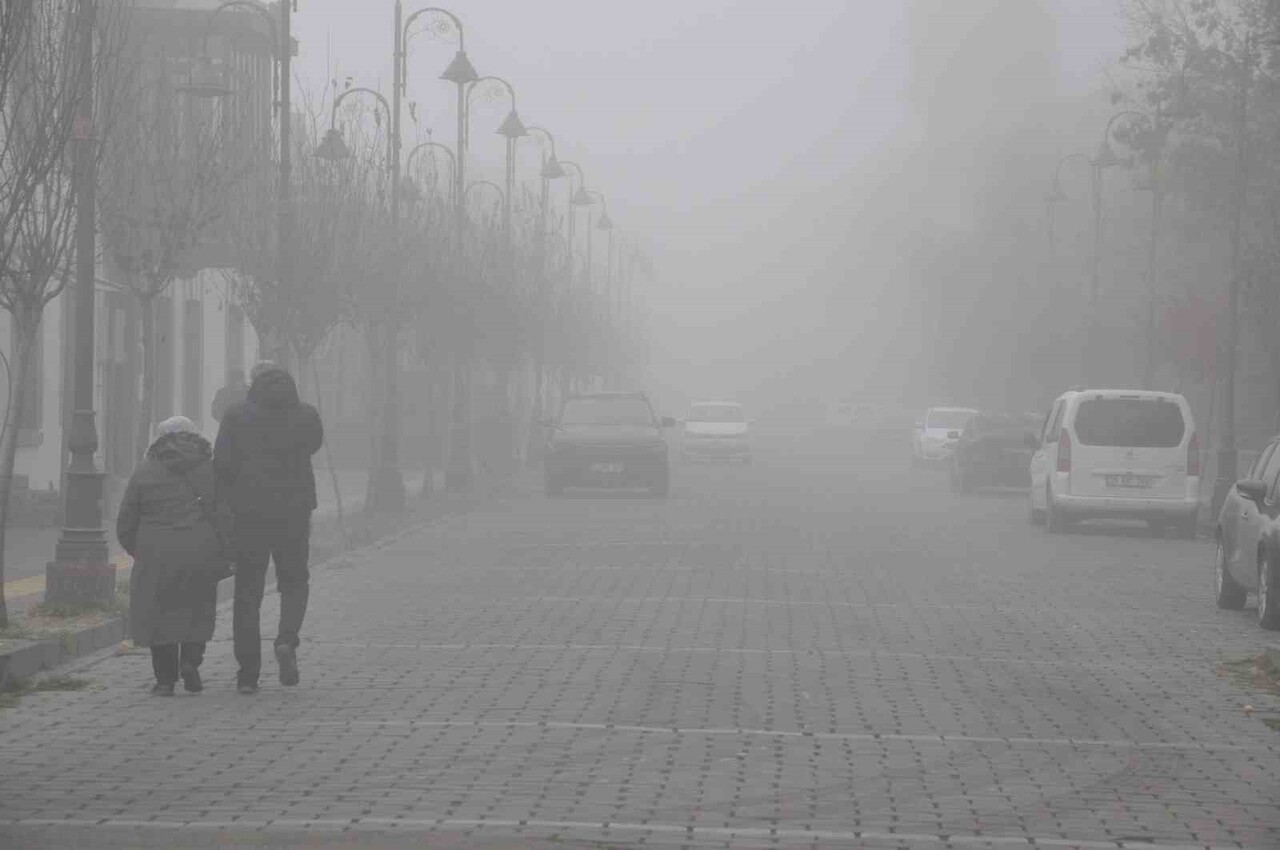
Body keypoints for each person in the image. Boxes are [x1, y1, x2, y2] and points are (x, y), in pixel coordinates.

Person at [215, 363, 323, 694]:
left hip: (250, 514)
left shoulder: (236, 415)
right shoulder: (306, 415)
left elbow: (222, 464)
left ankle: (248, 674)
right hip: (294, 512)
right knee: (294, 581)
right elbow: (314, 445)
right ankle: (286, 639)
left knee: (248, 591)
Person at [117, 416, 230, 696]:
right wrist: (224, 551)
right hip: (199, 550)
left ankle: (165, 680)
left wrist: (140, 550)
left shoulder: (145, 470)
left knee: (159, 615)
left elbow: (126, 521)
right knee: (197, 609)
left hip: (157, 553)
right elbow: (222, 514)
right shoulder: (209, 469)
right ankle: (191, 662)